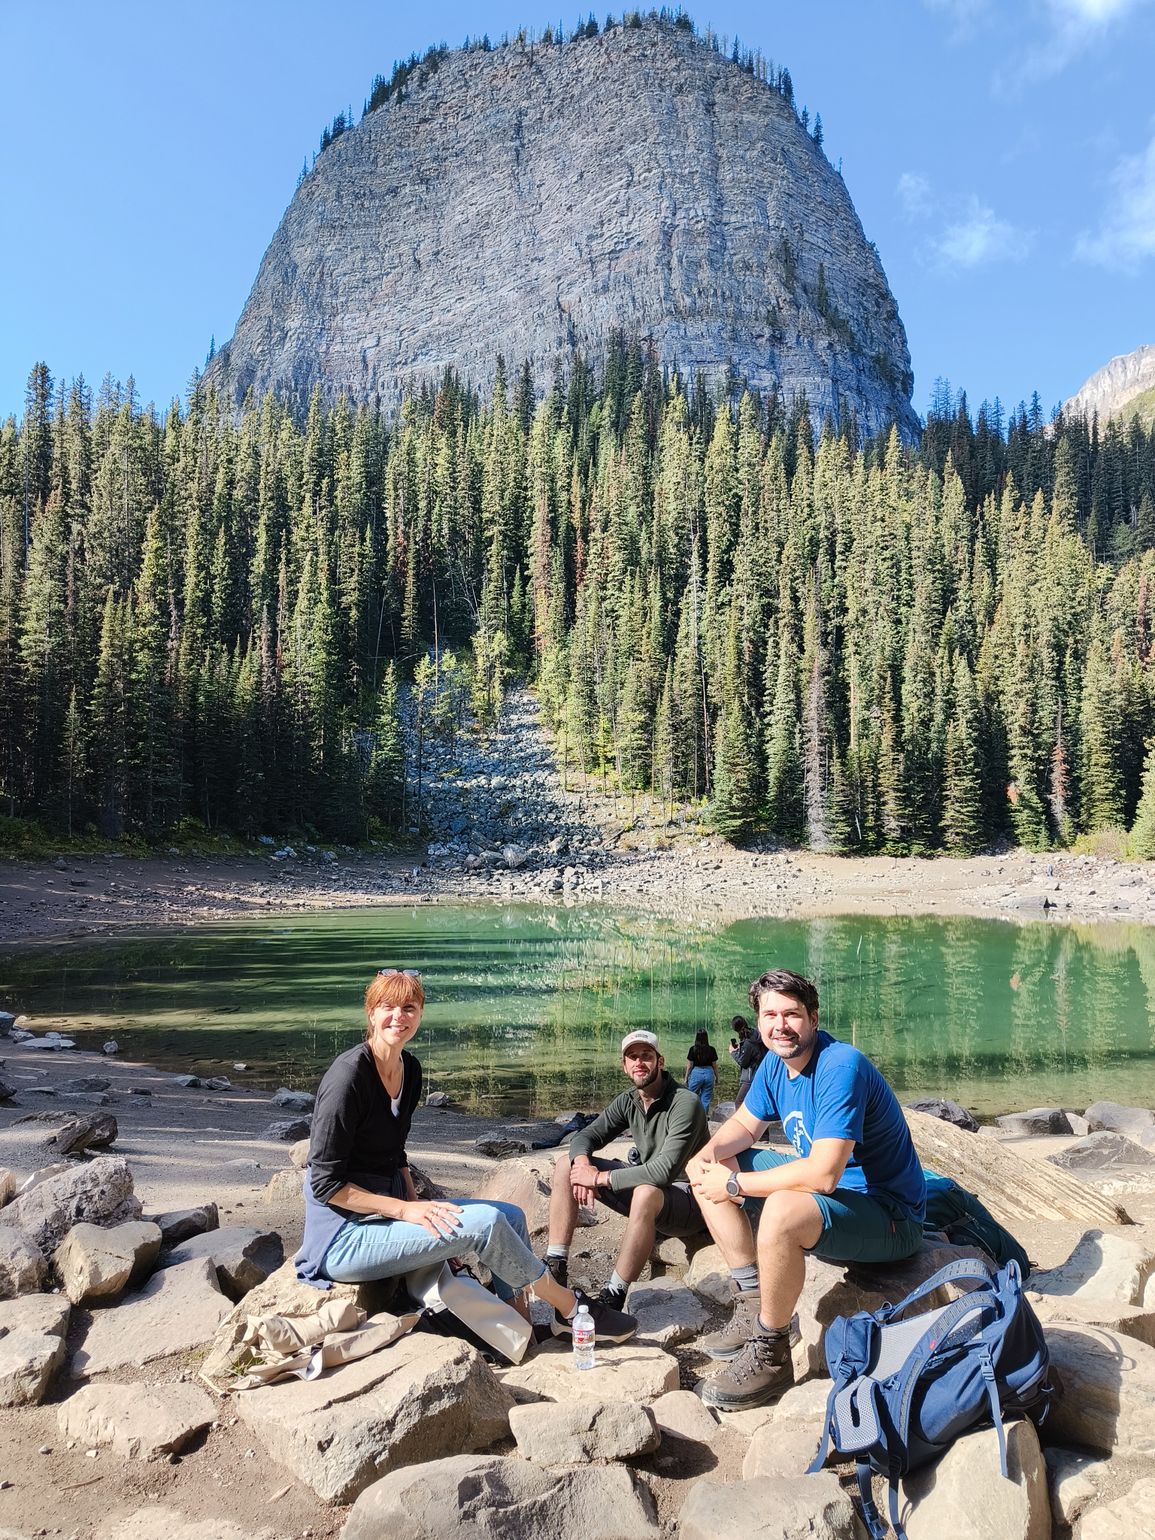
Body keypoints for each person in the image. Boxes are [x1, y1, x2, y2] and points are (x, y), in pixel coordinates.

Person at [294, 967, 638, 1343]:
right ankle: (570, 1308)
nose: (398, 1017)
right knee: (486, 1224)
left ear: (420, 1014)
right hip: (342, 1237)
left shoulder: (409, 1069)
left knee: (510, 1215)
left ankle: (522, 1330)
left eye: (409, 1008)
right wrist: (408, 1212)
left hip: (385, 1218)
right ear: (371, 1013)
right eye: (388, 1007)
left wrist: (423, 1219)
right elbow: (325, 1184)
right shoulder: (348, 1078)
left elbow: (396, 1156)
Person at [687, 968, 926, 1410]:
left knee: (779, 1209)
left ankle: (772, 1350)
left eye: (792, 1014)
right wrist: (708, 1157)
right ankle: (755, 1299)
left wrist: (735, 1183)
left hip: (888, 1214)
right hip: (832, 1200)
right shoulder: (775, 1065)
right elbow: (744, 1127)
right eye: (770, 1015)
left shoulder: (841, 1066)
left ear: (813, 1018)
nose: (781, 1025)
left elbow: (823, 1176)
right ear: (759, 1022)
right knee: (707, 1168)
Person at [545, 1029, 709, 1310]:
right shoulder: (630, 1100)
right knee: (565, 1164)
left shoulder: (685, 1103)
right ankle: (555, 1266)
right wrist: (582, 1165)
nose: (639, 1063)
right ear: (624, 1065)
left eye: (646, 1056)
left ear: (660, 1061)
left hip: (692, 1198)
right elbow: (586, 1135)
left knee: (646, 1192)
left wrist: (599, 1178)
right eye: (632, 1057)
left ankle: (614, 1295)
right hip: (654, 1192)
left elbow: (663, 1171)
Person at [728, 1014, 765, 1109]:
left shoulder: (748, 1042)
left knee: (739, 1102)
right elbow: (753, 1053)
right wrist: (741, 1050)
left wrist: (733, 1052)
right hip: (761, 1072)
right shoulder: (756, 1034)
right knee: (756, 1102)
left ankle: (741, 1119)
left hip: (751, 1076)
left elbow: (743, 1062)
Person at [685, 1028, 719, 1113]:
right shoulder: (712, 1049)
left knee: (692, 1096)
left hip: (696, 1073)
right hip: (709, 1073)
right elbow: (714, 1066)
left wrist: (686, 1078)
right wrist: (717, 1077)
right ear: (706, 1038)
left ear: (696, 1037)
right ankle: (703, 1117)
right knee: (706, 1098)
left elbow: (690, 1066)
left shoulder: (693, 1049)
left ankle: (691, 1115)